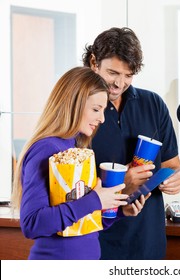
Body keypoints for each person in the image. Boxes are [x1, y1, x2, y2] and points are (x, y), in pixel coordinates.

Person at [11, 66, 147, 260]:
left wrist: (118, 211)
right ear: (73, 104)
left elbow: (81, 224)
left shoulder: (77, 147)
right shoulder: (47, 148)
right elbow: (32, 224)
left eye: (103, 110)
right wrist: (95, 200)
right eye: (95, 109)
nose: (101, 119)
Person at [82, 27, 180, 260]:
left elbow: (172, 163)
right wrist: (123, 186)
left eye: (128, 76)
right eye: (113, 73)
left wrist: (176, 177)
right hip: (98, 244)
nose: (119, 83)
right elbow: (70, 193)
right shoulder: (80, 110)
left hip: (149, 241)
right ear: (93, 62)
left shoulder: (153, 104)